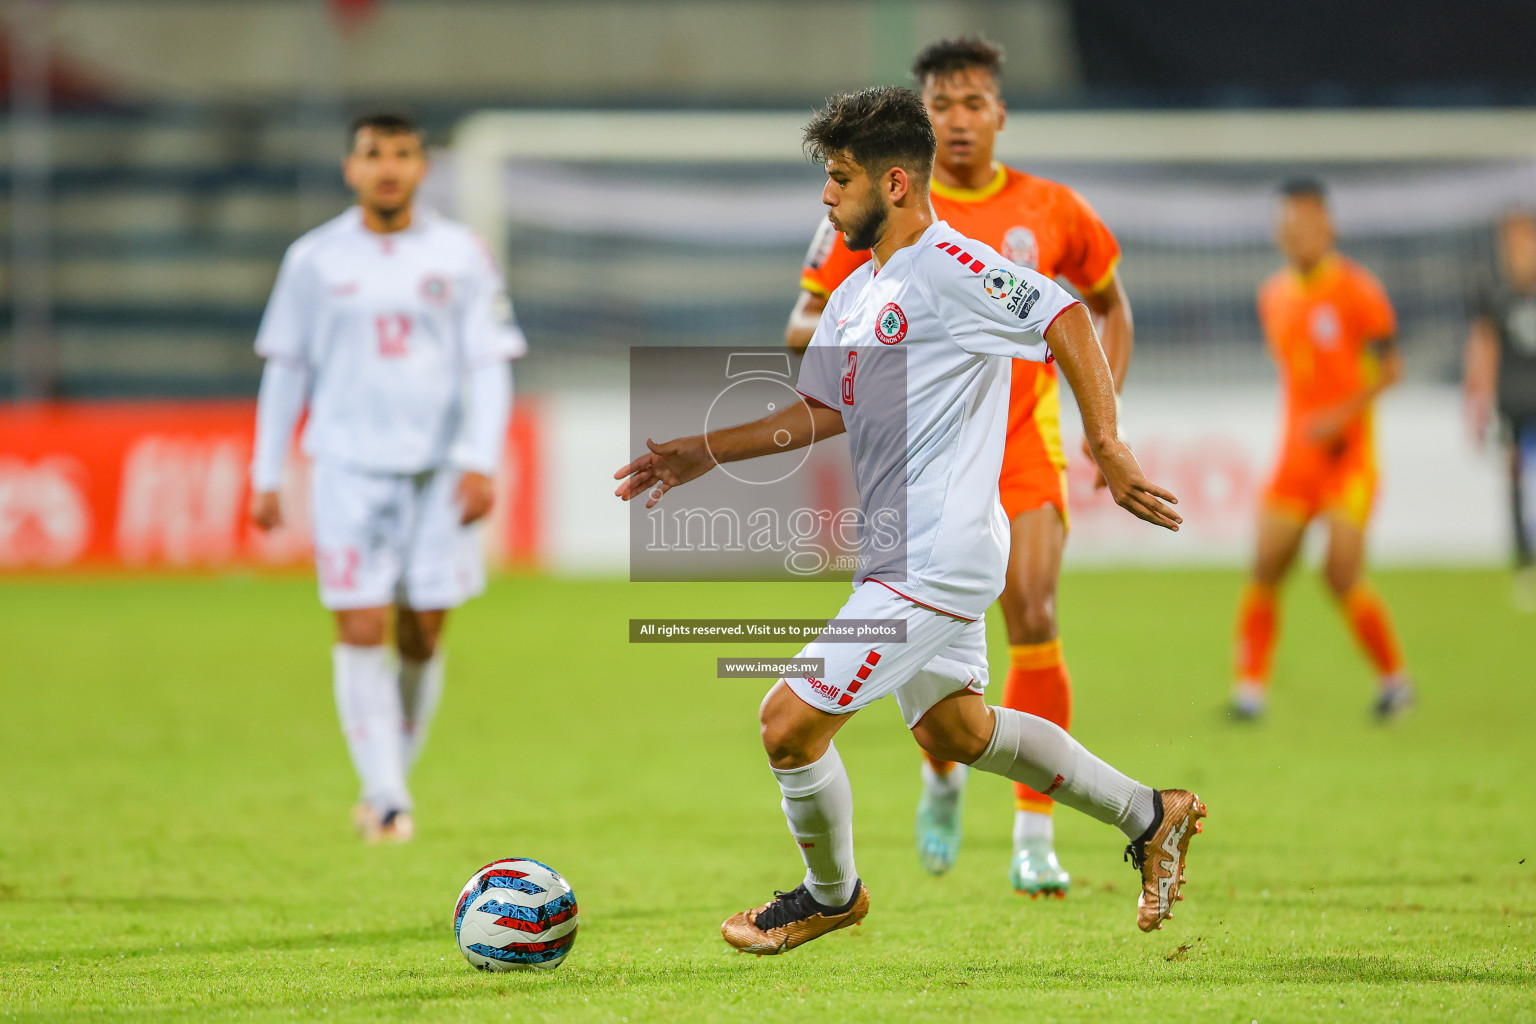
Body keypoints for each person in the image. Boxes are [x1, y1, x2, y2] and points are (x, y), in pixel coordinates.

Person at [616, 87, 1204, 953]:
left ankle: (830, 894)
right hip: (901, 554)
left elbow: (1064, 312)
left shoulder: (950, 267)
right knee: (955, 730)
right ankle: (1151, 813)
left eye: (839, 177)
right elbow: (821, 409)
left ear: (893, 184)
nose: (827, 196)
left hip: (938, 556)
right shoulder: (859, 290)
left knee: (787, 724)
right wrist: (704, 450)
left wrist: (1106, 444)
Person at [788, 37, 1132, 897]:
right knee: (952, 723)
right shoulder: (870, 224)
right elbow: (811, 326)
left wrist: (1105, 432)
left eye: (975, 101)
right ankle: (947, 778)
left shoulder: (1047, 210)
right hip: (918, 457)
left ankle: (1031, 836)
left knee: (1037, 610)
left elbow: (1095, 309)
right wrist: (861, 335)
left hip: (1019, 440)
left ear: (998, 112)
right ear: (925, 122)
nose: (961, 117)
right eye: (944, 104)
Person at [248, 112, 526, 842]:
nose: (388, 168)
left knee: (424, 634)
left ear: (422, 168)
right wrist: (266, 470)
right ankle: (389, 795)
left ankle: (387, 780)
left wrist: (480, 460)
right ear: (351, 169)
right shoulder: (313, 258)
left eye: (402, 154)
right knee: (361, 622)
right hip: (346, 468)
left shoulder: (462, 253)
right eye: (373, 155)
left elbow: (489, 363)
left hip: (437, 472)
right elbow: (286, 367)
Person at [1231, 179, 1413, 722]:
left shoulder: (1358, 291)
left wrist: (1340, 414)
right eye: (1287, 224)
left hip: (1348, 457)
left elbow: (1392, 369)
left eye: (1306, 223)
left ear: (1328, 226)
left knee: (1339, 570)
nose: (1296, 234)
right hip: (1295, 458)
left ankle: (1395, 681)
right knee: (1266, 565)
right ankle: (1248, 693)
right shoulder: (1274, 297)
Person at [1464, 210, 1536, 610]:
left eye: (1523, 241)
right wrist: (1476, 398)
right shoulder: (1492, 290)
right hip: (1511, 398)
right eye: (1509, 244)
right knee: (1514, 478)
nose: (1516, 252)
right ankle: (1525, 564)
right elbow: (1483, 344)